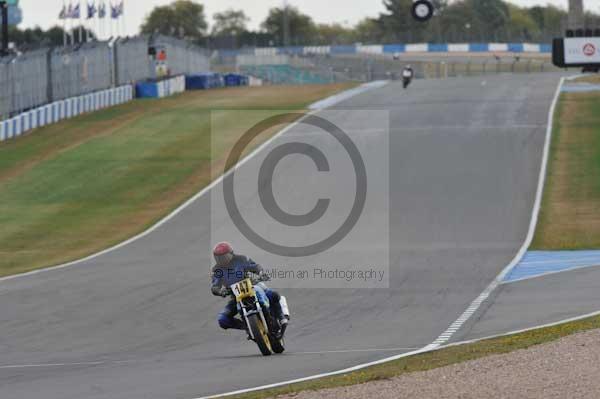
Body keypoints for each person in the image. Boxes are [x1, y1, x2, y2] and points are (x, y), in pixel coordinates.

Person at [211, 242, 288, 334]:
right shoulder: (216, 270)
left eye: (224, 257)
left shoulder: (241, 259)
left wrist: (261, 273)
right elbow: (215, 286)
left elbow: (255, 266)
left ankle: (281, 317)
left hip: (252, 286)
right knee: (222, 320)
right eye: (218, 258)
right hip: (236, 296)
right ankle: (248, 327)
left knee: (273, 295)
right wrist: (220, 291)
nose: (221, 260)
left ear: (231, 253)